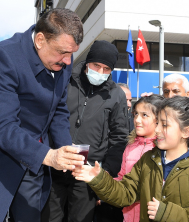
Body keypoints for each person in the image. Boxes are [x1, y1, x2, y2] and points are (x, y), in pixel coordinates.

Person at [0, 8, 84, 222]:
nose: (67, 61)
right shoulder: (5, 57)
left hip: (34, 158)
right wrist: (49, 156)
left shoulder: (63, 57)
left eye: (71, 53)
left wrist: (67, 152)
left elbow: (59, 109)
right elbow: (1, 125)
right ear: (39, 40)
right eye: (62, 52)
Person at [73, 96, 189, 222]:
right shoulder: (149, 160)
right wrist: (98, 179)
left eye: (164, 125)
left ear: (186, 131)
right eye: (157, 124)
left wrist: (168, 213)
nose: (157, 130)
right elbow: (126, 193)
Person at [43, 40, 129, 222]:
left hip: (88, 172)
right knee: (50, 217)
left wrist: (106, 173)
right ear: (87, 62)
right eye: (96, 65)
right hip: (58, 164)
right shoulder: (66, 80)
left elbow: (119, 136)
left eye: (106, 69)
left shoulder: (116, 95)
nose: (100, 72)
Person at [113, 95, 163, 222]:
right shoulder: (130, 146)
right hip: (128, 217)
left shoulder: (163, 149)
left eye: (144, 115)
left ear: (158, 119)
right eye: (135, 114)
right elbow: (122, 178)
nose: (137, 120)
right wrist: (102, 181)